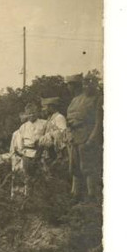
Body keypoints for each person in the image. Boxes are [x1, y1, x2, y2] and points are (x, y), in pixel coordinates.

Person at [65, 74, 102, 202]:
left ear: (75, 85)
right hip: (74, 138)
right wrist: (69, 135)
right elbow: (69, 122)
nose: (68, 87)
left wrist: (91, 139)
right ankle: (76, 196)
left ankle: (91, 197)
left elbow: (98, 122)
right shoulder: (74, 101)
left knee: (88, 168)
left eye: (70, 85)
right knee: (75, 168)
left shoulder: (95, 99)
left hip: (86, 138)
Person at [2, 102, 46, 198]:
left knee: (41, 176)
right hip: (27, 154)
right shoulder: (23, 127)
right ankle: (28, 197)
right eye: (29, 113)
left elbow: (47, 138)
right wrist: (23, 154)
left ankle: (41, 198)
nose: (32, 115)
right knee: (27, 177)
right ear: (26, 114)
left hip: (41, 153)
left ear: (37, 112)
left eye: (34, 112)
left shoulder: (44, 123)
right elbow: (20, 143)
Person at [37, 97, 68, 172]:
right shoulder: (50, 119)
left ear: (51, 107)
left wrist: (50, 135)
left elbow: (63, 132)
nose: (43, 110)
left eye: (45, 107)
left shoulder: (59, 117)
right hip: (49, 151)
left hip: (57, 151)